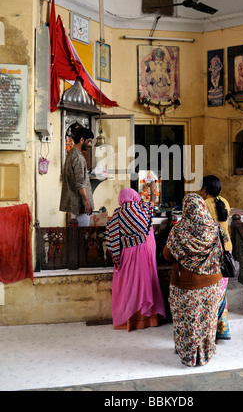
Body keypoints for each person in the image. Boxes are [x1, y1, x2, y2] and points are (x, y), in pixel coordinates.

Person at [163, 193, 228, 367]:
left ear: (186, 209)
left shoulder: (179, 230)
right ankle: (205, 353)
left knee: (187, 321)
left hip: (186, 284)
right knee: (207, 320)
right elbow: (225, 249)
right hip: (213, 283)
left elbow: (167, 255)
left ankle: (188, 354)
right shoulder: (215, 227)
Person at [105, 184, 165, 331]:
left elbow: (111, 238)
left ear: (121, 199)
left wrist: (116, 258)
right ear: (135, 197)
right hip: (144, 255)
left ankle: (128, 320)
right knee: (145, 284)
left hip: (127, 255)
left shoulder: (117, 214)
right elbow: (152, 204)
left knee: (129, 286)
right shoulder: (144, 210)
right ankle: (148, 320)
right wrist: (152, 190)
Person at [201, 174, 232, 343]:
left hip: (212, 253)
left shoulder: (204, 205)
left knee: (211, 293)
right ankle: (222, 329)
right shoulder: (225, 202)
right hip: (227, 251)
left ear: (205, 188)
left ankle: (211, 332)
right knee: (221, 294)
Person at [59, 127, 94, 226]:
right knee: (82, 237)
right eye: (89, 141)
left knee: (75, 237)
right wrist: (87, 202)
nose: (90, 145)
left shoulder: (71, 153)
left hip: (73, 204)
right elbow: (80, 183)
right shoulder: (78, 157)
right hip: (80, 206)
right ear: (82, 140)